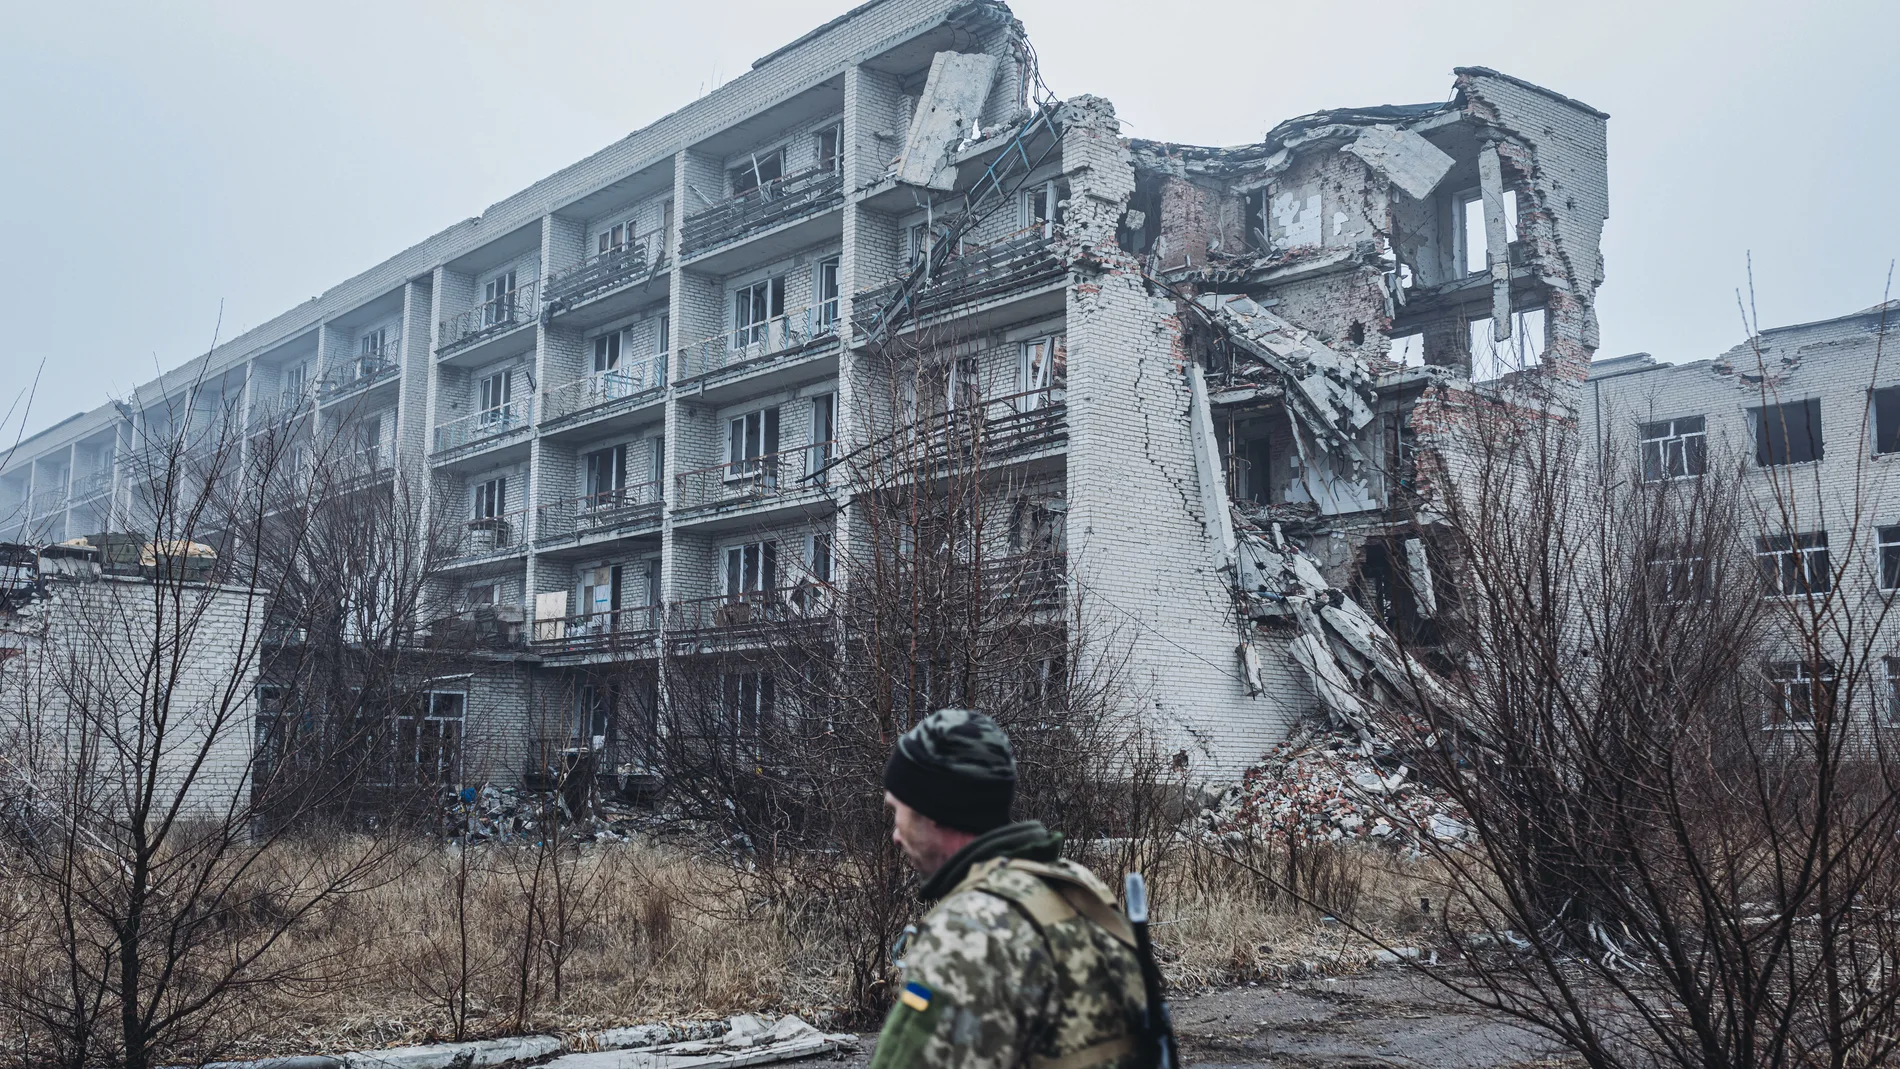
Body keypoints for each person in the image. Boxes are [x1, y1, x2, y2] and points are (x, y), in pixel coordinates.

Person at [869, 708, 1150, 1069]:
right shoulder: (1077, 888)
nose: (895, 834)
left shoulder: (967, 932)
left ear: (931, 807)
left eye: (897, 811)